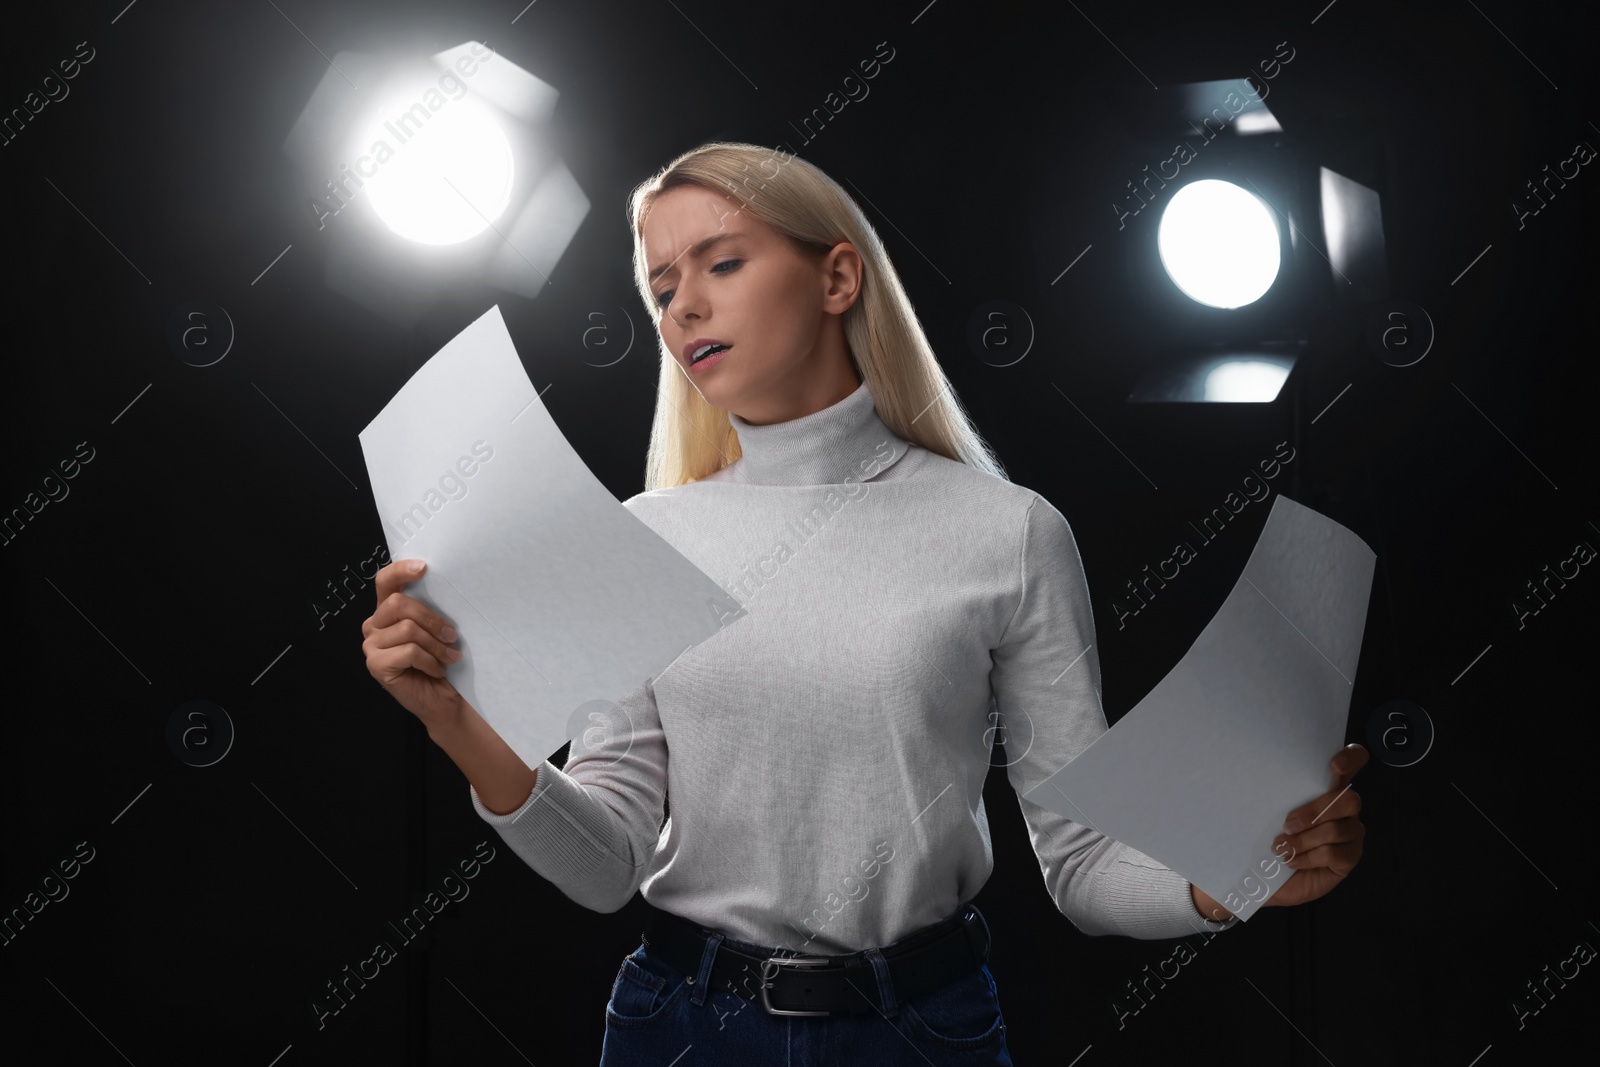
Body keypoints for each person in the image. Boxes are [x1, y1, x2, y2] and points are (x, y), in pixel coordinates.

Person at [361, 141, 1369, 1065]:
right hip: (679, 1027)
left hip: (923, 1031)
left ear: (837, 276)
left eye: (719, 264)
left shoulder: (1007, 532)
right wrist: (455, 720)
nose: (682, 309)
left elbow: (1083, 862)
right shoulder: (644, 534)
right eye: (661, 287)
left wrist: (1234, 877)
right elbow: (606, 863)